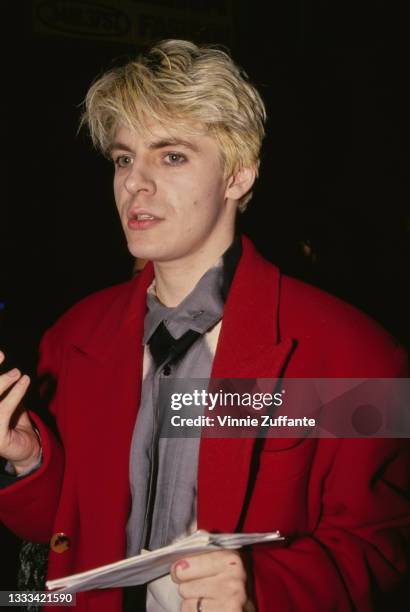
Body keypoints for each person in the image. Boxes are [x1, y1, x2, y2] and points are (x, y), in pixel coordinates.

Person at [0, 39, 409, 612]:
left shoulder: (357, 354)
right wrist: (28, 458)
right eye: (123, 158)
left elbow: (385, 547)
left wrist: (264, 585)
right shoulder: (72, 337)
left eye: (171, 156)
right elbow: (60, 532)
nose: (134, 184)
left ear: (238, 176)